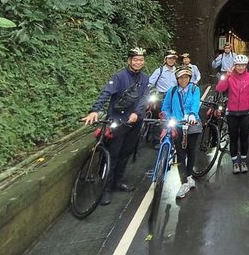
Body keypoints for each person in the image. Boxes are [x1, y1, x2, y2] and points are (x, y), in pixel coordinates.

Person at [82, 47, 150, 206]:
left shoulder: (145, 78)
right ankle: (105, 188)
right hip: (118, 121)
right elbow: (106, 93)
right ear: (129, 60)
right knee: (113, 154)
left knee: (126, 152)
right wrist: (95, 110)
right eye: (135, 59)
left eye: (141, 60)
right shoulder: (119, 77)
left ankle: (117, 182)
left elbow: (144, 98)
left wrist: (136, 113)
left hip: (134, 121)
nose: (138, 62)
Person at [162, 65, 202, 198]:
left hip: (192, 125)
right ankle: (183, 182)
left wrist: (192, 114)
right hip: (177, 126)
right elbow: (166, 107)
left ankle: (189, 176)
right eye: (180, 77)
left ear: (189, 78)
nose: (183, 80)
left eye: (186, 77)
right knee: (180, 154)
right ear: (177, 79)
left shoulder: (194, 89)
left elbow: (195, 104)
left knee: (191, 152)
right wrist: (169, 118)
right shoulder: (172, 91)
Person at [216, 54, 249, 174]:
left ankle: (244, 160)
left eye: (243, 65)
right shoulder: (229, 77)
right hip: (232, 112)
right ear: (234, 65)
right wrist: (226, 76)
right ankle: (235, 162)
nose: (240, 67)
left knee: (244, 137)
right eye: (238, 65)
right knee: (233, 138)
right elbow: (220, 88)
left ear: (246, 65)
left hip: (246, 112)